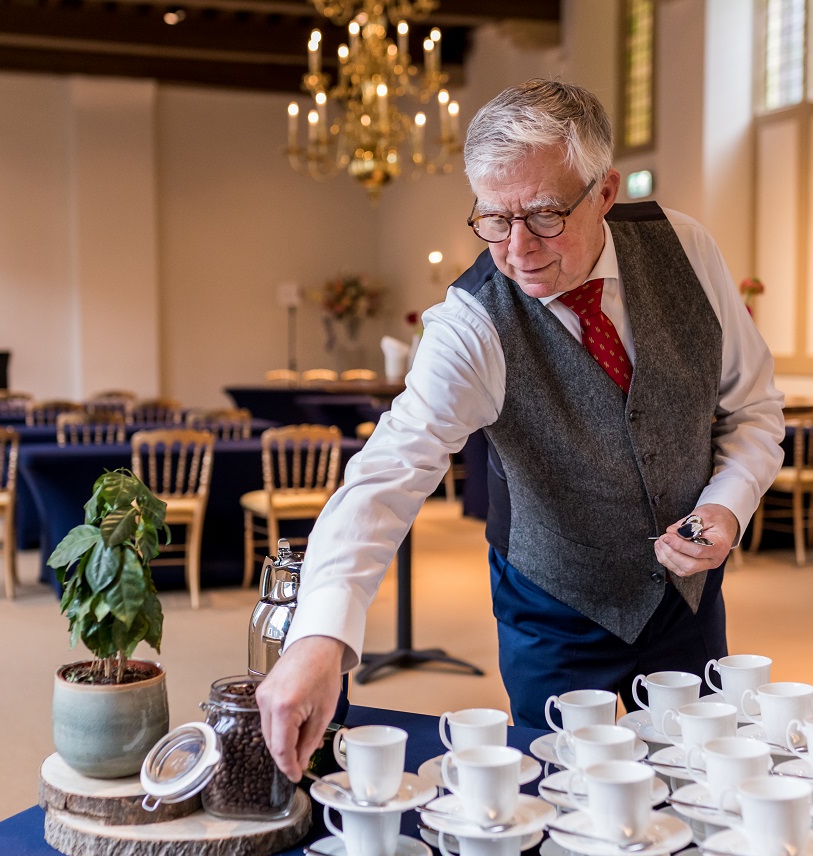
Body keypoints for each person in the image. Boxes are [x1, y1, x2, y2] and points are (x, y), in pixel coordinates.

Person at [256, 79, 785, 782]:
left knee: (693, 782)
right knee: (560, 794)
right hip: (553, 605)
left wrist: (725, 503)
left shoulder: (684, 248)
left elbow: (750, 410)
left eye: (542, 215)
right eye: (492, 219)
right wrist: (318, 637)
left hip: (686, 598)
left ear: (603, 191)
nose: (517, 248)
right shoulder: (472, 322)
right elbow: (386, 474)